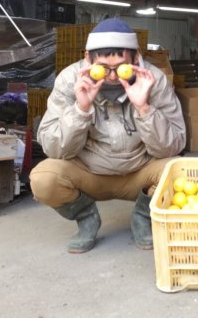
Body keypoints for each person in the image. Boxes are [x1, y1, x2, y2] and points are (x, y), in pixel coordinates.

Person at [32, 18, 186, 253]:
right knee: (43, 179)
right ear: (88, 58)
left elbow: (173, 147)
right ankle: (86, 218)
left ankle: (144, 216)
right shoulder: (69, 79)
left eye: (121, 67)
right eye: (103, 67)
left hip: (140, 171)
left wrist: (144, 108)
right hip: (88, 172)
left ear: (136, 57)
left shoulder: (153, 80)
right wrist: (81, 109)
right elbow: (54, 149)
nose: (113, 77)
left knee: (183, 172)